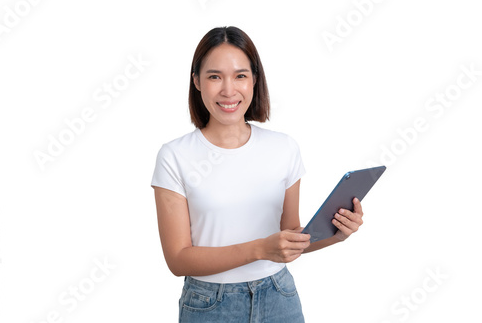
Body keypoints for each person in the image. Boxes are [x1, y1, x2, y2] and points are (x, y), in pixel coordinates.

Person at [151, 26, 364, 322]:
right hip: (210, 305)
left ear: (254, 81)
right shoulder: (174, 156)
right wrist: (259, 249)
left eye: (240, 75)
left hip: (279, 297)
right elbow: (178, 259)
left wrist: (336, 235)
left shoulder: (284, 148)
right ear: (197, 81)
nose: (228, 90)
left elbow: (291, 236)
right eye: (215, 76)